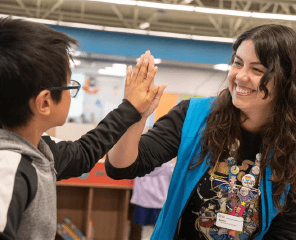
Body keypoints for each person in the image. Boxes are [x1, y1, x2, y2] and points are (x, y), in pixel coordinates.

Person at [106, 24, 296, 240]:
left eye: (257, 70)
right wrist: (135, 115)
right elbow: (121, 168)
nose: (241, 76)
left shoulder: (290, 143)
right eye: (238, 63)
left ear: (286, 80)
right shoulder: (193, 116)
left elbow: (286, 230)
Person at [0, 17, 166, 240]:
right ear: (44, 102)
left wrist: (130, 109)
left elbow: (83, 153)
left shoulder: (36, 149)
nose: (72, 95)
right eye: (70, 86)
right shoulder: (8, 166)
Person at [131, 160, 173, 240]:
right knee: (161, 231)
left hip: (144, 199)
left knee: (147, 231)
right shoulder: (167, 161)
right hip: (161, 201)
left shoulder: (142, 159)